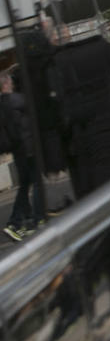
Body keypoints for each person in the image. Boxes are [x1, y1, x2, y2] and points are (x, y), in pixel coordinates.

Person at [1, 70, 37, 241]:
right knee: (26, 184)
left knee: (26, 181)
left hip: (16, 149)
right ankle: (14, 222)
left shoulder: (1, 103)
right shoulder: (15, 100)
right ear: (7, 83)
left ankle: (28, 218)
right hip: (26, 147)